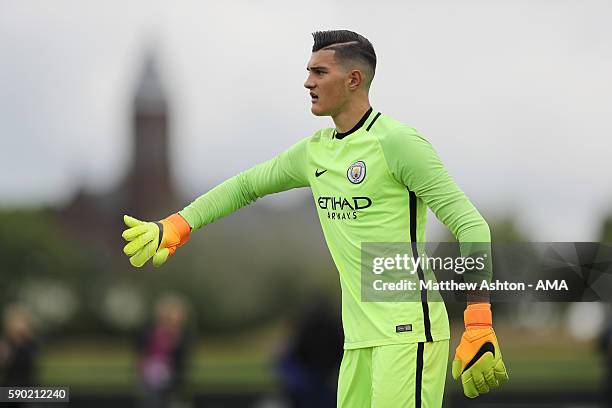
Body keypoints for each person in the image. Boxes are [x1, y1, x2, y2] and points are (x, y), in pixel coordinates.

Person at [122, 30, 508, 407]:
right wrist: (176, 224)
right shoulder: (314, 153)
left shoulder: (399, 143)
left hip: (409, 334)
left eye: (319, 72)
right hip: (356, 341)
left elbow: (471, 225)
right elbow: (244, 186)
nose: (307, 82)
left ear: (354, 79)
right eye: (308, 71)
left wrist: (477, 321)